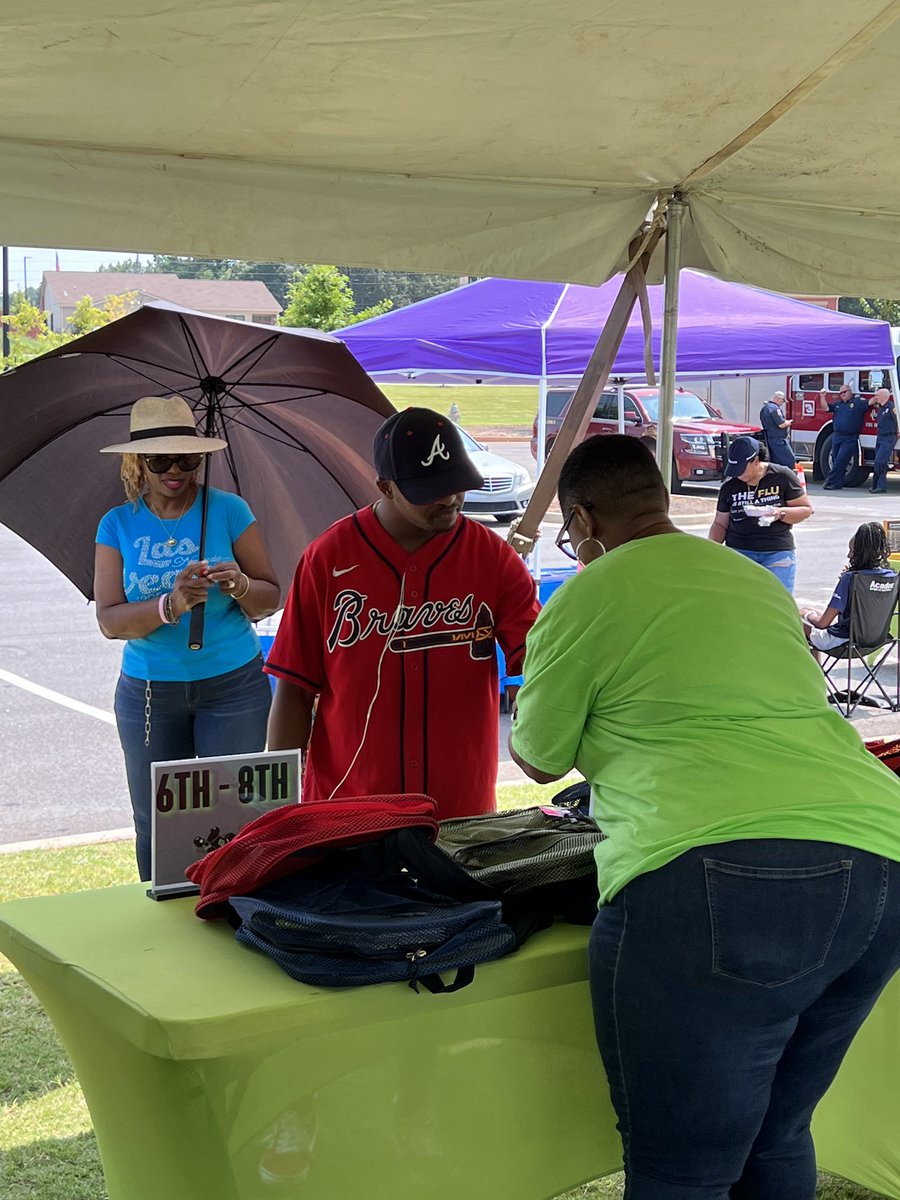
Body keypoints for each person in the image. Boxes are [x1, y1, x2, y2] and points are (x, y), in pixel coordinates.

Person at [509, 434, 900, 1200]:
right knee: (777, 1136)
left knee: (682, 1171)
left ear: (582, 520)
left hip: (712, 873)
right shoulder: (749, 580)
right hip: (876, 856)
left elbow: (539, 757)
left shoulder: (587, 592)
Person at [265, 406, 540, 817]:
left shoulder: (493, 558)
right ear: (386, 487)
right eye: (431, 489)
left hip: (459, 808)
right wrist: (279, 804)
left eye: (456, 483)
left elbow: (540, 662)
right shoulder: (328, 557)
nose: (449, 498)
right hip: (349, 807)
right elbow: (294, 687)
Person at [94, 394, 281, 880]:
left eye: (187, 458)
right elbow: (111, 621)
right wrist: (171, 604)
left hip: (234, 687)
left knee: (237, 817)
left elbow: (269, 597)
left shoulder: (228, 510)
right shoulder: (117, 524)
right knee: (156, 820)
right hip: (150, 692)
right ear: (139, 462)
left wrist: (238, 583)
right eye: (160, 459)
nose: (175, 470)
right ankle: (164, 920)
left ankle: (235, 908)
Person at [708, 434, 812, 592]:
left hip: (776, 552)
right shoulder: (730, 486)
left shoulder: (782, 476)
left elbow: (805, 510)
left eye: (742, 469)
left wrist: (779, 513)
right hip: (739, 552)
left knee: (778, 603)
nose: (738, 475)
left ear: (756, 460)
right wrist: (711, 551)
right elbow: (720, 524)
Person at [801, 521, 896, 660]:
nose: (848, 556)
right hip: (877, 640)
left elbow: (823, 623)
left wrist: (806, 615)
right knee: (810, 610)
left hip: (845, 642)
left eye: (852, 551)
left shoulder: (851, 578)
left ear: (861, 553)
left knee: (797, 619)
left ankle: (816, 676)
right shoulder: (893, 577)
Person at [822, 381, 866, 489]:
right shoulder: (838, 404)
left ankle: (829, 481)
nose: (842, 394)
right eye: (840, 393)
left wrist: (879, 394)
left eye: (844, 392)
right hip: (836, 436)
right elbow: (825, 408)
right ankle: (837, 484)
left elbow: (870, 402)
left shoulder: (857, 403)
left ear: (850, 392)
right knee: (835, 459)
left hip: (849, 437)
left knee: (841, 460)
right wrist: (822, 397)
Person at [868, 386, 897, 493]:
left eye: (878, 395)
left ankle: (880, 485)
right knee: (878, 462)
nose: (876, 397)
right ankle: (876, 485)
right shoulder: (881, 408)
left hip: (889, 437)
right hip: (880, 437)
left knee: (881, 461)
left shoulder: (891, 408)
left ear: (884, 397)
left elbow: (897, 420)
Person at [759, 388, 796, 467]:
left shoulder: (765, 408)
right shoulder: (775, 409)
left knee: (775, 462)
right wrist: (788, 422)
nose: (782, 403)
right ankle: (786, 478)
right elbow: (781, 424)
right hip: (778, 440)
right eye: (782, 401)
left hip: (769, 438)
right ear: (778, 399)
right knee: (789, 460)